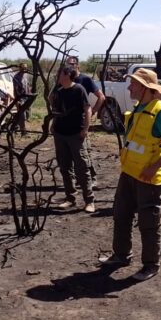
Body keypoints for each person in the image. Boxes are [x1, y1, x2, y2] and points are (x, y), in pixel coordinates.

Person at [98, 68, 161, 281]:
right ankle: (121, 254)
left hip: (148, 178)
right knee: (121, 214)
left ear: (145, 88)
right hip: (129, 173)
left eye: (133, 84)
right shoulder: (139, 108)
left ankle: (151, 265)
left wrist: (155, 167)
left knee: (148, 222)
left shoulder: (160, 111)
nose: (129, 87)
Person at [49, 65, 95, 213]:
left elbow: (87, 108)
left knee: (82, 166)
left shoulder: (79, 89)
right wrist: (53, 125)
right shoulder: (59, 91)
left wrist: (86, 128)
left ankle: (89, 201)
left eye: (60, 73)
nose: (58, 76)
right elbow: (56, 111)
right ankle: (70, 198)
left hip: (76, 134)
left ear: (67, 74)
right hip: (60, 134)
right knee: (64, 167)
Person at [66, 56, 105, 187]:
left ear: (78, 65)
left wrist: (93, 111)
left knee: (84, 151)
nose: (71, 66)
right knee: (70, 152)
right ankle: (77, 179)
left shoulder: (85, 79)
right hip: (67, 121)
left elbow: (101, 97)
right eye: (68, 64)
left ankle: (91, 178)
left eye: (73, 64)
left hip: (81, 121)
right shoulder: (65, 79)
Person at [12, 63, 31, 134]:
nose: (24, 70)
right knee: (22, 115)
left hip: (27, 97)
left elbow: (28, 85)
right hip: (20, 98)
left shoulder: (26, 75)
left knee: (25, 114)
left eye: (25, 68)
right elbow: (15, 89)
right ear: (20, 68)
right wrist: (17, 100)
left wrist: (30, 93)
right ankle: (23, 131)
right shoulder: (16, 77)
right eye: (23, 68)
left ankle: (14, 127)